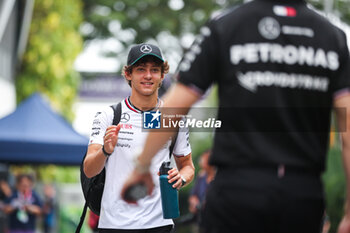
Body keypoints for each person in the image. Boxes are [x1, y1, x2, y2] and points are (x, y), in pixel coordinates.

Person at [121, 1, 350, 233]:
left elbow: (175, 106)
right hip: (302, 194)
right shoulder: (332, 36)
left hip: (240, 189)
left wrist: (142, 168)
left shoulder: (228, 25)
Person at [83, 43, 194, 233]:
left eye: (154, 70)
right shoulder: (108, 116)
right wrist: (105, 151)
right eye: (141, 69)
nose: (148, 75)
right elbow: (89, 170)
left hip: (159, 224)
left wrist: (181, 177)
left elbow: (188, 166)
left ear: (162, 76)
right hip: (114, 225)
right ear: (128, 74)